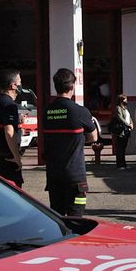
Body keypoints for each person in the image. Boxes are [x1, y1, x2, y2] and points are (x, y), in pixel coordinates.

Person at [43, 68, 98, 216]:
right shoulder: (80, 111)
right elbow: (94, 137)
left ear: (56, 86)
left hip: (54, 175)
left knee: (57, 216)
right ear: (72, 86)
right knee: (76, 217)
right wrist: (79, 139)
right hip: (75, 176)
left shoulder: (47, 111)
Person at [110, 93, 133, 169]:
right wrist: (128, 124)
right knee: (120, 148)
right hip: (121, 130)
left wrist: (131, 123)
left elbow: (129, 117)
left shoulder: (125, 108)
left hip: (126, 130)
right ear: (121, 100)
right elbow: (120, 118)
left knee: (123, 147)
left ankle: (124, 163)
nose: (127, 101)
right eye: (125, 99)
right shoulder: (118, 108)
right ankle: (120, 164)